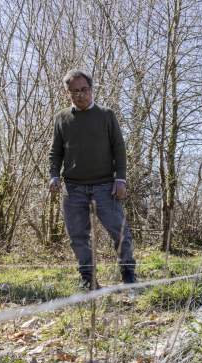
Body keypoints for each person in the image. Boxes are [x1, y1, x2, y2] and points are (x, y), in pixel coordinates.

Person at [49, 69, 136, 289]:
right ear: (68, 93)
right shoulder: (61, 118)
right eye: (74, 91)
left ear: (91, 89)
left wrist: (121, 179)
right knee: (78, 236)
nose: (80, 95)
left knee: (120, 232)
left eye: (84, 90)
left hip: (105, 186)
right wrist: (53, 176)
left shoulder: (106, 115)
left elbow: (119, 148)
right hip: (73, 188)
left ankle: (128, 275)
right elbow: (55, 152)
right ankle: (89, 281)